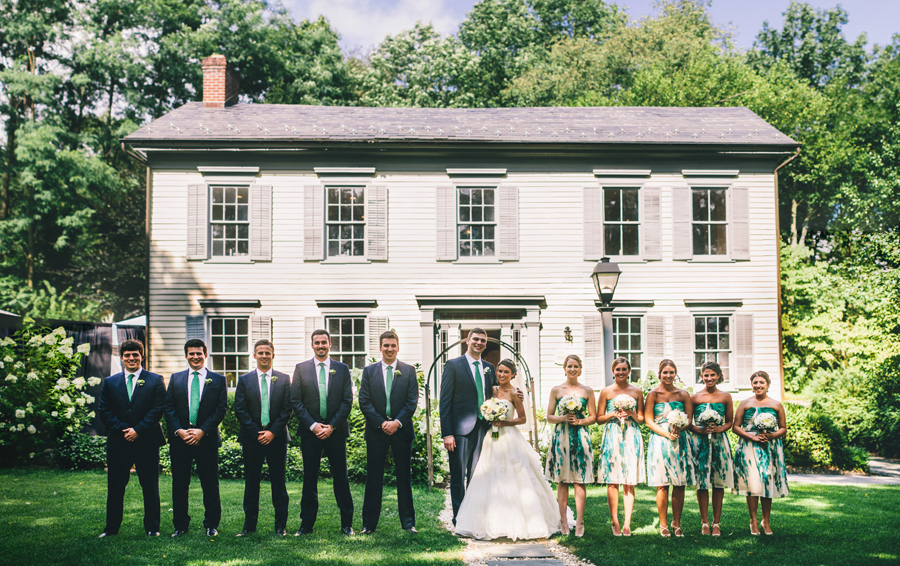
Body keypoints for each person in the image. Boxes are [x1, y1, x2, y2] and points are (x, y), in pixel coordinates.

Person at [455, 359, 567, 540]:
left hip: (509, 437)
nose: (502, 375)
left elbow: (523, 419)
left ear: (513, 375)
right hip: (491, 438)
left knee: (515, 475)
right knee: (489, 476)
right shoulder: (491, 390)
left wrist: (503, 421)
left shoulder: (515, 393)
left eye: (506, 372)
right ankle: (488, 520)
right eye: (500, 371)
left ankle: (523, 520)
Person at [97, 339, 166, 538]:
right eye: (127, 355)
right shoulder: (110, 382)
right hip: (119, 442)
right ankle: (111, 529)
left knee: (150, 485)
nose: (131, 358)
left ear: (142, 356)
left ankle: (152, 528)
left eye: (135, 354)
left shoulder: (155, 380)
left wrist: (138, 430)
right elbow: (104, 410)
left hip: (147, 441)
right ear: (121, 358)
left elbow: (157, 409)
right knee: (116, 486)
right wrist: (123, 429)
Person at [291, 329, 354, 536]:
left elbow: (347, 401)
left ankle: (346, 524)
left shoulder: (342, 369)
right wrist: (313, 425)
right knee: (309, 478)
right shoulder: (301, 369)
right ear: (312, 345)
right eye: (317, 342)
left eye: (324, 342)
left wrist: (332, 426)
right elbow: (296, 402)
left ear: (330, 344)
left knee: (341, 478)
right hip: (311, 434)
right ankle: (306, 524)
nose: (320, 345)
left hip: (335, 432)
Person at [165, 339, 228, 537]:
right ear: (186, 356)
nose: (195, 357)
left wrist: (202, 431)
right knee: (180, 485)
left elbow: (221, 409)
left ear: (205, 354)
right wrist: (180, 431)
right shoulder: (176, 378)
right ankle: (181, 525)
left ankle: (211, 525)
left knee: (210, 484)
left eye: (199, 353)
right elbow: (169, 408)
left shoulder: (218, 379)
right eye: (191, 353)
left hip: (206, 440)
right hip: (180, 441)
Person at [358, 331, 419, 535]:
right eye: (386, 345)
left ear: (398, 347)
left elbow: (412, 402)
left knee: (404, 477)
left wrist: (397, 423)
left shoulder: (408, 371)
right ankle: (369, 524)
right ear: (380, 347)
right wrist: (383, 423)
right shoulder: (369, 371)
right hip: (377, 432)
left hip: (402, 432)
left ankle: (409, 523)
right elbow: (364, 402)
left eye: (393, 345)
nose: (389, 349)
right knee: (374, 478)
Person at [234, 339, 293, 537]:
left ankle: (280, 526)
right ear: (254, 356)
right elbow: (240, 410)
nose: (264, 356)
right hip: (252, 440)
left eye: (268, 353)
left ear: (273, 355)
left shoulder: (284, 379)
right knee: (251, 483)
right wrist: (257, 432)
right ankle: (249, 526)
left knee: (279, 483)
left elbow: (287, 409)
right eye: (260, 353)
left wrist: (272, 432)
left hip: (277, 439)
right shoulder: (244, 380)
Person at [439, 328, 497, 527]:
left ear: (486, 344)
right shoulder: (454, 365)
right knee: (458, 476)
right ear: (467, 340)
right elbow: (444, 401)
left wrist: (516, 395)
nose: (479, 343)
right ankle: (459, 519)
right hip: (460, 431)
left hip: (484, 428)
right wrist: (447, 433)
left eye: (483, 340)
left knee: (477, 475)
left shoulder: (489, 367)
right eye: (476, 339)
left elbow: (496, 394)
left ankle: (475, 517)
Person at [544, 354, 596, 537]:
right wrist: (563, 418)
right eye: (569, 366)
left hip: (580, 436)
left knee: (579, 480)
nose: (572, 369)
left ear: (580, 369)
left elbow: (593, 417)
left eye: (576, 366)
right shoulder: (556, 390)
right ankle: (563, 520)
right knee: (562, 480)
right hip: (562, 437)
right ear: (564, 369)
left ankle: (580, 522)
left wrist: (580, 422)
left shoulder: (587, 391)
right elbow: (549, 417)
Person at [733, 370, 788, 536]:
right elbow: (735, 427)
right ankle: (753, 521)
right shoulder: (744, 403)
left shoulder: (776, 404)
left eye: (761, 383)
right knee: (753, 484)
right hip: (749, 446)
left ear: (768, 385)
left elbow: (783, 428)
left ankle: (766, 520)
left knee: (766, 481)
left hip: (770, 447)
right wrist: (752, 436)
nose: (758, 385)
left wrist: (771, 435)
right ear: (752, 385)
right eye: (755, 383)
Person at [644, 359, 694, 537]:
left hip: (680, 441)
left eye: (671, 372)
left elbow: (689, 419)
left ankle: (677, 523)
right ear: (659, 374)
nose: (668, 375)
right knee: (662, 484)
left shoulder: (683, 395)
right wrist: (666, 434)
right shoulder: (653, 394)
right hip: (659, 440)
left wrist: (680, 427)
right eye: (665, 372)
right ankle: (663, 524)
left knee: (679, 484)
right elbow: (648, 421)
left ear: (676, 374)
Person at [596, 357, 645, 537]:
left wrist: (630, 412)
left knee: (629, 481)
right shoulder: (606, 391)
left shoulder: (637, 391)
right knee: (612, 480)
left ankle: (627, 523)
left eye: (624, 369)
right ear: (613, 371)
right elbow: (599, 419)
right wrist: (613, 414)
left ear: (629, 371)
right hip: (612, 434)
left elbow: (642, 419)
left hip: (631, 434)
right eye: (618, 369)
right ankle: (615, 521)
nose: (621, 372)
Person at [690, 360, 734, 537]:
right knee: (702, 483)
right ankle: (704, 522)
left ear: (718, 376)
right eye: (706, 375)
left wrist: (719, 428)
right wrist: (700, 429)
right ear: (701, 377)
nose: (709, 378)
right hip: (700, 443)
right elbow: (688, 423)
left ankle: (716, 522)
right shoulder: (694, 397)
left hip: (719, 442)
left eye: (712, 375)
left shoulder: (726, 397)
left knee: (718, 483)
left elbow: (729, 421)